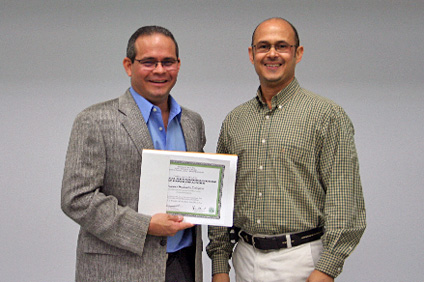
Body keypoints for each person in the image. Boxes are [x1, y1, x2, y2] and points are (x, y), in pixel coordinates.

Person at [207, 17, 366, 282]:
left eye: (282, 46)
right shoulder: (235, 120)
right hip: (244, 258)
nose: (272, 54)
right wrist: (220, 264)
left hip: (301, 260)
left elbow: (344, 198)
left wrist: (327, 268)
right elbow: (221, 197)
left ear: (298, 53)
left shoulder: (327, 115)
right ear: (251, 54)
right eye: (263, 46)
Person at [61, 25, 205, 282]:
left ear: (178, 65)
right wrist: (146, 226)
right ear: (129, 65)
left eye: (167, 62)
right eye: (149, 62)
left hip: (183, 265)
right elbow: (77, 198)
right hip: (119, 269)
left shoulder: (192, 122)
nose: (160, 70)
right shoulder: (94, 120)